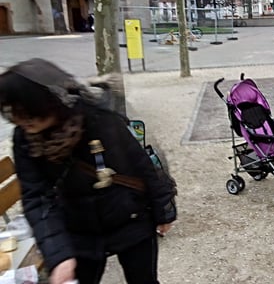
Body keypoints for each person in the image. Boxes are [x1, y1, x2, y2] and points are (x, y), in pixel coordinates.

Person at [0, 59, 177, 284]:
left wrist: (164, 212)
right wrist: (59, 255)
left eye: (26, 111)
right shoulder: (26, 138)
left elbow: (141, 164)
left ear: (47, 102)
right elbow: (36, 196)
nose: (19, 120)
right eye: (12, 112)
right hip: (77, 228)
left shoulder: (98, 118)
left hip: (130, 218)